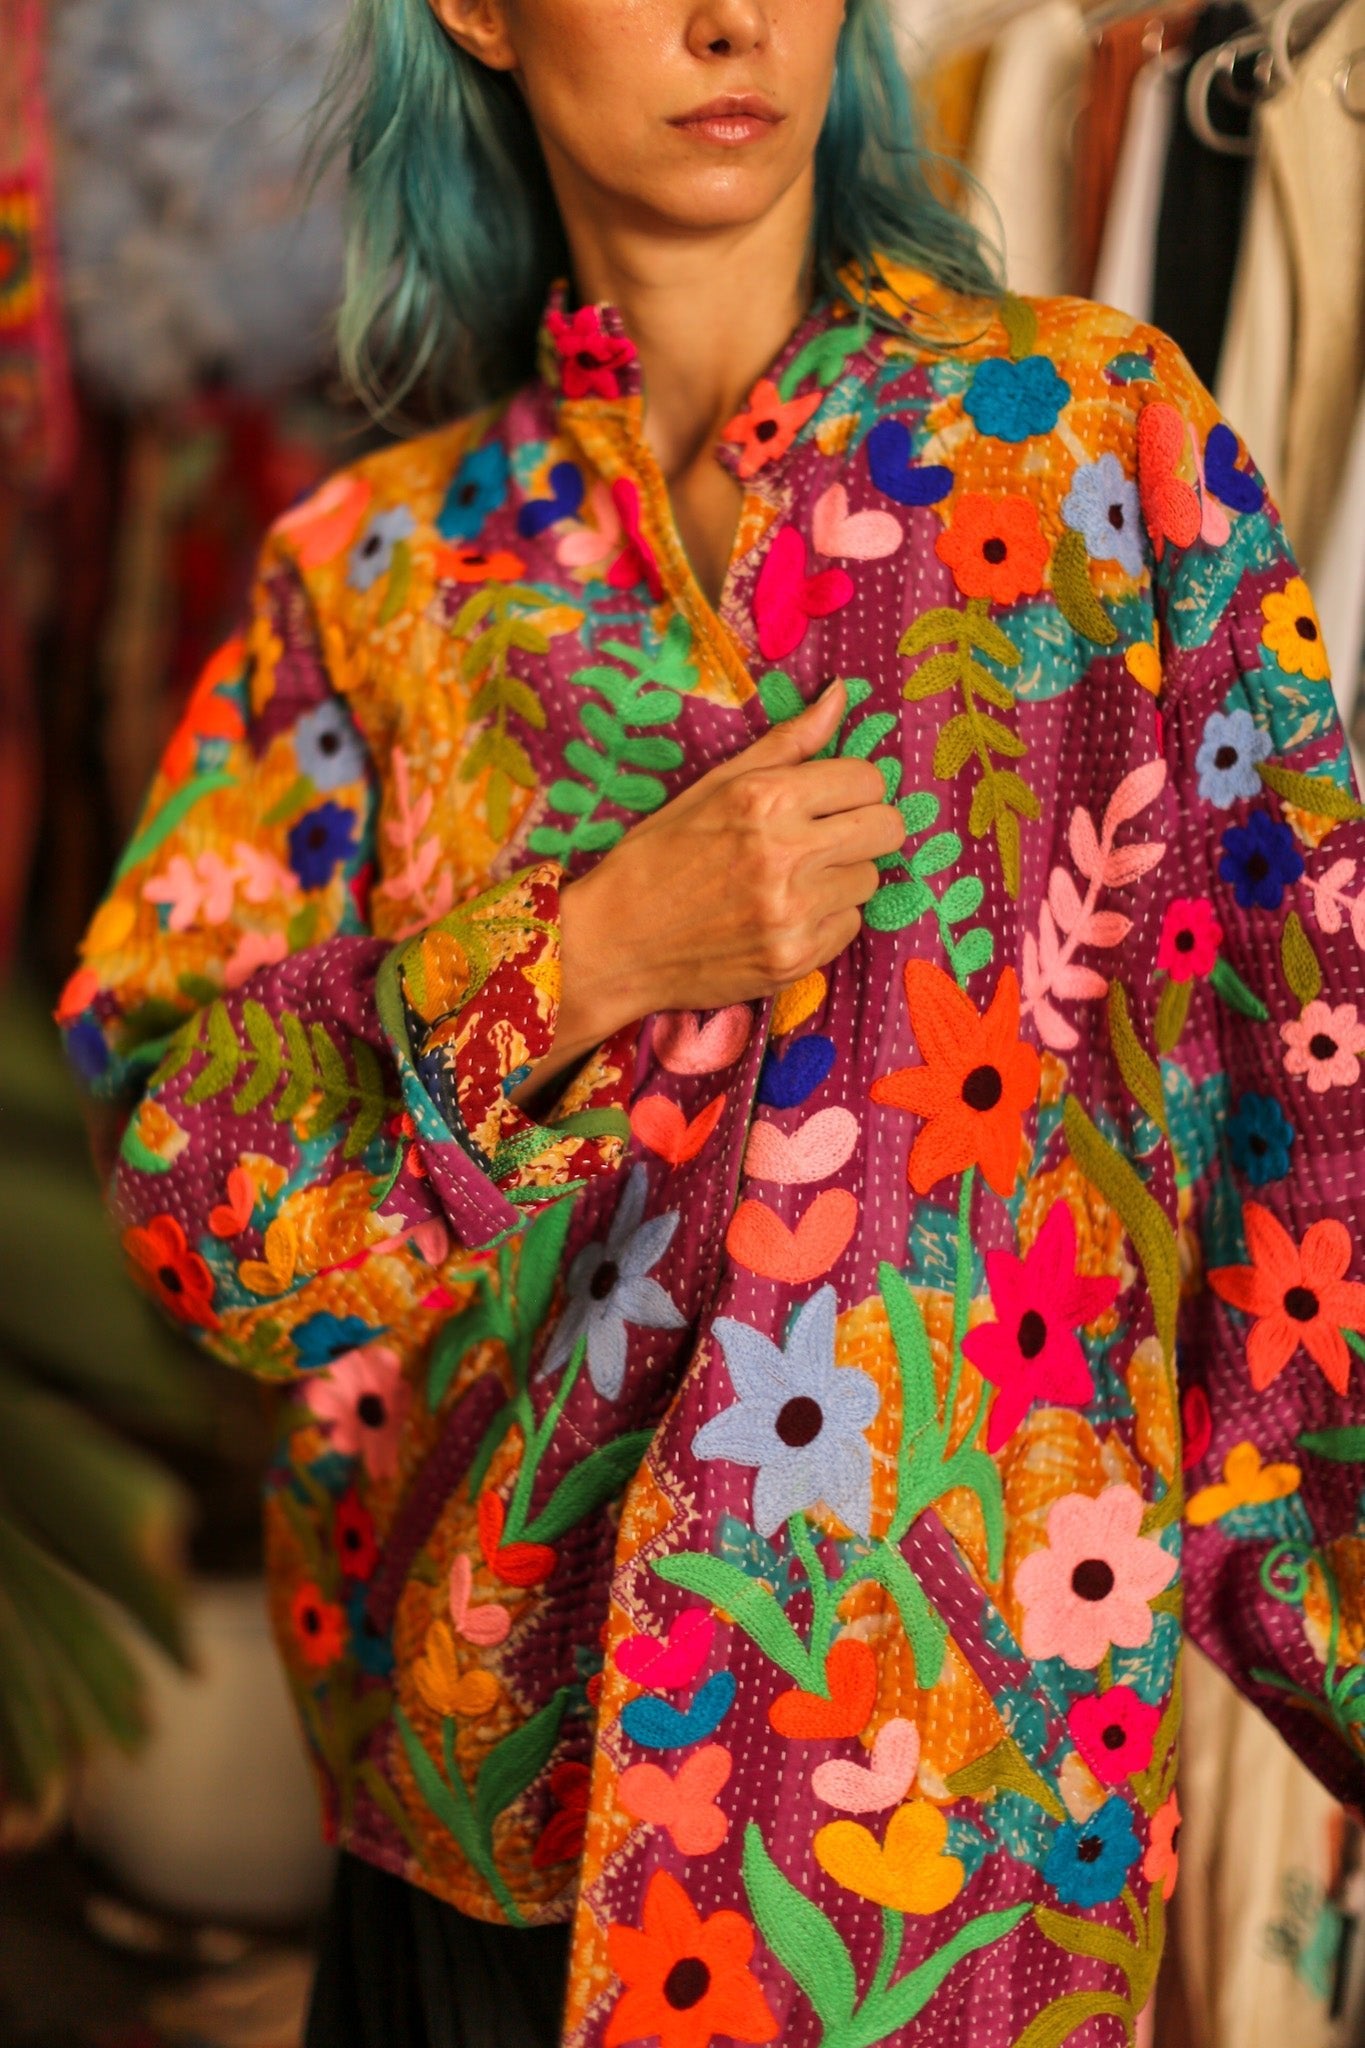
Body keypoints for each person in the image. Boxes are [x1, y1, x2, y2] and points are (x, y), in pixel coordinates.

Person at [58, 2, 1365, 2043]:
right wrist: (576, 958)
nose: (730, 18)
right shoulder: (381, 577)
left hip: (940, 1845)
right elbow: (191, 1204)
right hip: (489, 1843)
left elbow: (1313, 1129)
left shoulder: (1083, 445)